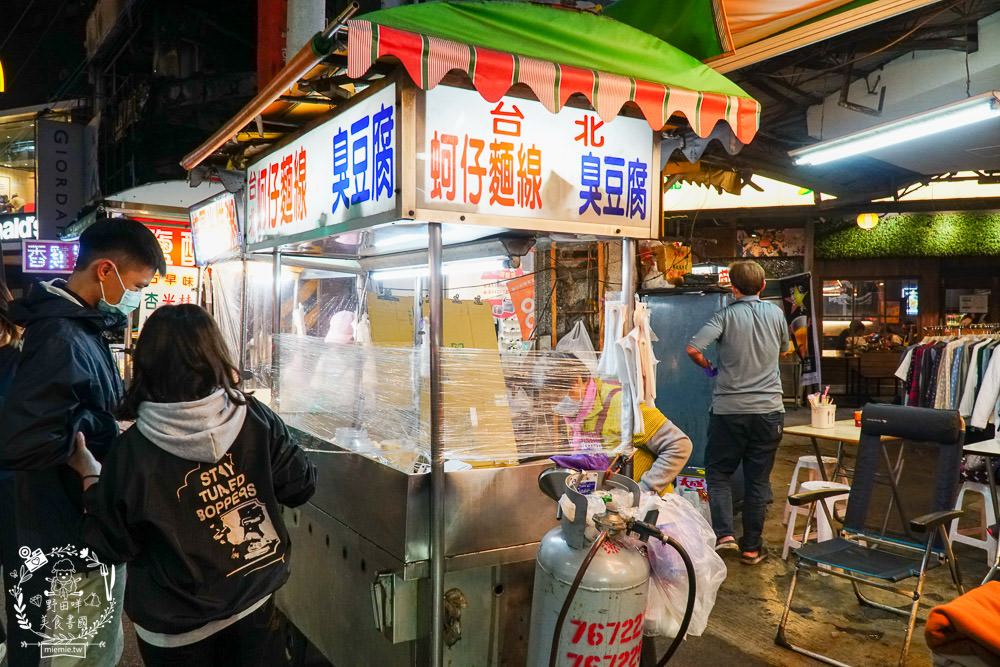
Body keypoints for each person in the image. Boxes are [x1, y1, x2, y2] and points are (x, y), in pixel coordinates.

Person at [67, 304, 317, 666]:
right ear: (215, 352)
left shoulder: (132, 452)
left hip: (175, 629)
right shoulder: (256, 417)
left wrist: (91, 476)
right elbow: (301, 487)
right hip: (255, 601)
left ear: (147, 363)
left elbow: (111, 544)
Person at [0, 218, 165, 667]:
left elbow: (75, 410)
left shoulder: (78, 327)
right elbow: (25, 439)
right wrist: (109, 434)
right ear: (105, 271)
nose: (136, 295)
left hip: (76, 530)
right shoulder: (62, 337)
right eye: (137, 284)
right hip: (63, 538)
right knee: (69, 656)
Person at [686, 260, 788, 565]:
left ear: (733, 288)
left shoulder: (725, 316)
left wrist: (710, 369)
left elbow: (693, 348)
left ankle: (725, 536)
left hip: (729, 411)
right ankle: (752, 548)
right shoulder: (776, 314)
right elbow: (785, 350)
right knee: (758, 480)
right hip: (770, 410)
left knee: (718, 473)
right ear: (761, 287)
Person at [540, 352, 692, 495]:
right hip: (608, 507)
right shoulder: (575, 414)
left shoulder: (620, 402)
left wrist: (644, 490)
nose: (557, 405)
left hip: (648, 510)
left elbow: (679, 445)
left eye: (558, 397)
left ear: (577, 380)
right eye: (551, 401)